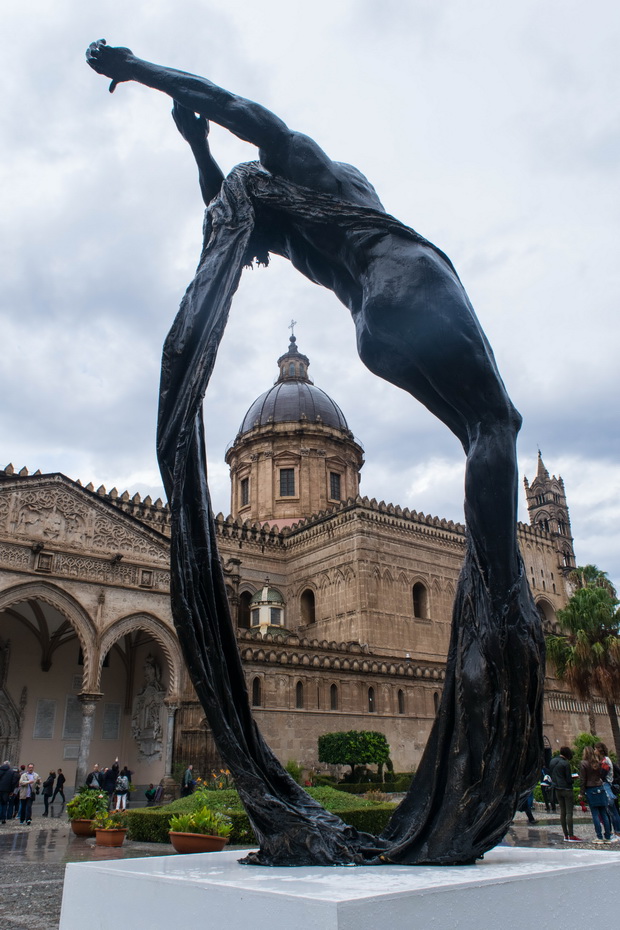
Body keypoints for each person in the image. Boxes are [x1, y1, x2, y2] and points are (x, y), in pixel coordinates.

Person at [85, 41, 546, 866]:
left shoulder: (285, 224)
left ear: (343, 473)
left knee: (490, 430)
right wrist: (143, 69)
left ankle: (495, 591)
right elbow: (232, 107)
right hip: (403, 279)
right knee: (496, 428)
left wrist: (192, 140)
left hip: (371, 317)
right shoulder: (323, 174)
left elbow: (234, 211)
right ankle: (502, 602)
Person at [579, 746, 616, 843]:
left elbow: (583, 779)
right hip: (600, 788)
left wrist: (581, 793)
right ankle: (608, 836)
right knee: (604, 813)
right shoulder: (598, 763)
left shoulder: (583, 764)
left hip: (591, 789)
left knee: (595, 814)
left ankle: (599, 837)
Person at [549, 746, 582, 842]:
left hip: (557, 789)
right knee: (569, 813)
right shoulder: (565, 763)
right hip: (566, 790)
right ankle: (571, 835)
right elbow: (568, 779)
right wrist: (574, 778)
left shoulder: (552, 761)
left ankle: (565, 835)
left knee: (562, 812)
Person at [595, 741, 620, 838]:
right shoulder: (605, 760)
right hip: (607, 785)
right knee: (612, 811)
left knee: (613, 811)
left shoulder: (605, 761)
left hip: (606, 787)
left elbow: (602, 775)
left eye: (595, 749)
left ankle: (617, 832)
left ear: (599, 750)